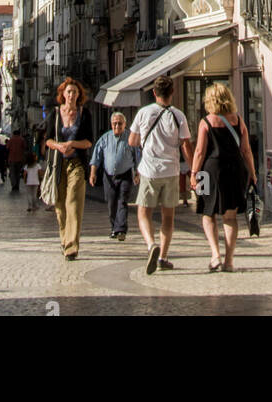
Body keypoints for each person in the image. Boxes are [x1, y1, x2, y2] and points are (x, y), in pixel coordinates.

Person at [128, 75, 193, 275]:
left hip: (149, 171)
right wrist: (193, 170)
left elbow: (131, 141)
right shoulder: (179, 116)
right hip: (171, 171)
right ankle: (163, 257)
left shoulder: (143, 113)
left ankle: (150, 245)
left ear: (154, 93)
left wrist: (143, 140)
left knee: (143, 212)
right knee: (168, 216)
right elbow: (186, 145)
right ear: (172, 92)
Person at [190, 82, 257, 272]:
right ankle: (229, 261)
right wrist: (252, 173)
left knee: (207, 212)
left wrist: (194, 174)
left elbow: (200, 152)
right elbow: (246, 150)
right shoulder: (238, 120)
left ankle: (215, 255)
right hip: (235, 170)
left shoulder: (206, 122)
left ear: (209, 100)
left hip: (209, 171)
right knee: (230, 216)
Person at [43, 77, 93, 260]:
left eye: (75, 92)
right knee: (60, 206)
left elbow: (88, 141)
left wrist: (72, 143)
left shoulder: (84, 114)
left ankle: (72, 245)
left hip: (77, 164)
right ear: (63, 94)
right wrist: (59, 146)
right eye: (69, 92)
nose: (72, 95)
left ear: (79, 95)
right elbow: (47, 139)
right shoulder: (55, 114)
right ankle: (64, 239)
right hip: (58, 164)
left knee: (74, 202)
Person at [89, 111, 140, 241]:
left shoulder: (130, 138)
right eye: (114, 123)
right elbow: (96, 157)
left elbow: (137, 156)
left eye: (120, 123)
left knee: (122, 201)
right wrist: (93, 173)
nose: (117, 126)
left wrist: (137, 173)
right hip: (109, 175)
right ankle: (114, 228)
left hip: (125, 174)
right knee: (111, 203)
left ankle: (121, 229)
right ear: (111, 124)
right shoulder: (105, 138)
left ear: (125, 124)